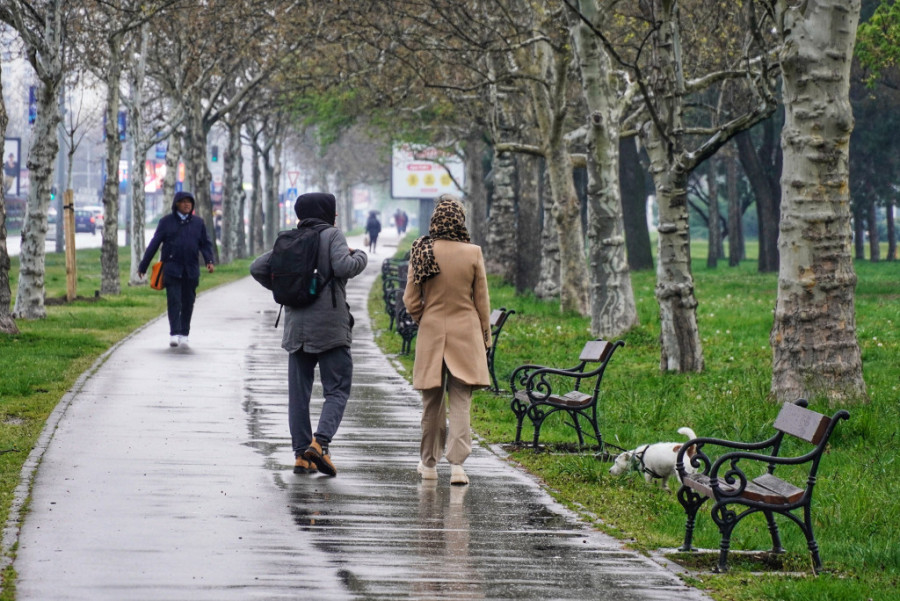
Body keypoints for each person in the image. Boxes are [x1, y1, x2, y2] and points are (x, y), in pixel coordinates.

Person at [402, 194, 491, 486]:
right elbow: (482, 302)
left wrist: (425, 320)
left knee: (431, 401)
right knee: (461, 400)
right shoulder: (473, 253)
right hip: (466, 334)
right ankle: (457, 466)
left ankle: (428, 464)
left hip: (431, 334)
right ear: (460, 220)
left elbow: (411, 300)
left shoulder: (422, 250)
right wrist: (485, 337)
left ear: (434, 220)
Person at [281, 192, 368, 477]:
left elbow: (259, 267)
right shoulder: (332, 236)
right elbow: (344, 266)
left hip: (297, 327)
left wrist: (288, 286)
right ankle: (320, 443)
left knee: (298, 394)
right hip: (331, 326)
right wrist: (362, 256)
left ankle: (300, 456)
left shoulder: (291, 239)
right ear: (327, 212)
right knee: (337, 388)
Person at [138, 191, 215, 348]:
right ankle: (174, 333)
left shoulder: (198, 223)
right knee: (174, 301)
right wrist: (143, 265)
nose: (187, 204)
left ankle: (184, 334)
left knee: (188, 302)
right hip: (172, 269)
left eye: (189, 202)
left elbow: (205, 244)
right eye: (183, 201)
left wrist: (209, 260)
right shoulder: (166, 222)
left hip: (191, 270)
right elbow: (154, 244)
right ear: (176, 204)